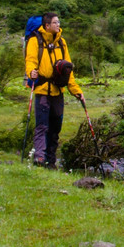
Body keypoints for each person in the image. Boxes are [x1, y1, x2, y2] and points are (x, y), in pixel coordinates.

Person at [25, 13, 84, 168]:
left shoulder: (62, 43)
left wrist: (75, 90)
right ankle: (39, 159)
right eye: (55, 22)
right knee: (42, 126)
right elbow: (30, 60)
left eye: (58, 22)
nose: (58, 25)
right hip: (43, 90)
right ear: (47, 25)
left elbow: (67, 69)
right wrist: (31, 72)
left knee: (55, 128)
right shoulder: (34, 41)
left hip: (58, 91)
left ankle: (51, 161)